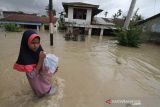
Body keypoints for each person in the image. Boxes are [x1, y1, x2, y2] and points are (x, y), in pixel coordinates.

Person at [13, 30, 57, 97]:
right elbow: (32, 76)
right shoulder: (26, 59)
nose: (36, 45)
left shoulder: (39, 53)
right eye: (33, 43)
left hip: (43, 87)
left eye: (37, 42)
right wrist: (40, 60)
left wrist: (53, 70)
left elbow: (43, 70)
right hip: (42, 90)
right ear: (26, 42)